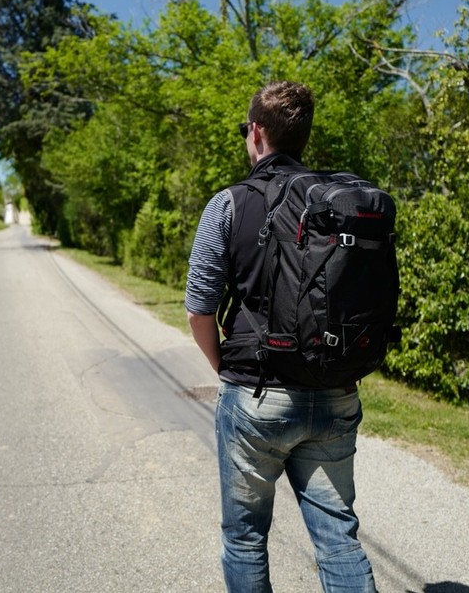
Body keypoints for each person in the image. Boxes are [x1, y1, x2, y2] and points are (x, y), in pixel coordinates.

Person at [185, 81, 378, 593]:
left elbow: (199, 308)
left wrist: (222, 368)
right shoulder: (332, 202)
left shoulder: (228, 204)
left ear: (256, 133)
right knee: (339, 538)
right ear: (302, 137)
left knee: (246, 538)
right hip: (334, 392)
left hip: (255, 394)